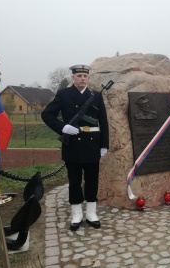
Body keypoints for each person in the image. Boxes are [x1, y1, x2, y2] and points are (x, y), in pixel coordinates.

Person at [41, 64, 109, 230]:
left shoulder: (95, 95)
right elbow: (47, 115)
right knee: (75, 181)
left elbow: (103, 121)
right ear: (73, 78)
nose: (82, 79)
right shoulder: (63, 94)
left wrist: (104, 145)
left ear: (88, 78)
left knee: (92, 180)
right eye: (79, 76)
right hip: (73, 145)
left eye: (85, 76)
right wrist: (63, 127)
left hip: (93, 144)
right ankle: (77, 213)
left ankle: (91, 212)